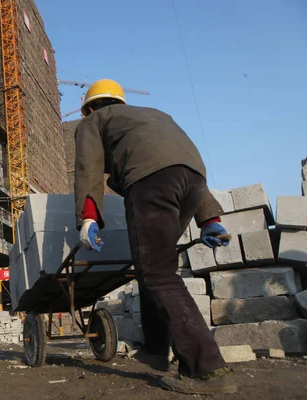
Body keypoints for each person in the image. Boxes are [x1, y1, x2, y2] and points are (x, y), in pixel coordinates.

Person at [74, 79, 235, 394]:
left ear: (90, 107)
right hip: (193, 179)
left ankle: (206, 370)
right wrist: (209, 218)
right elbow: (175, 159)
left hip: (150, 182)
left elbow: (87, 166)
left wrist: (89, 216)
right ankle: (156, 352)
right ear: (120, 102)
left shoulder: (93, 121)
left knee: (158, 274)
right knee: (154, 270)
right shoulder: (154, 115)